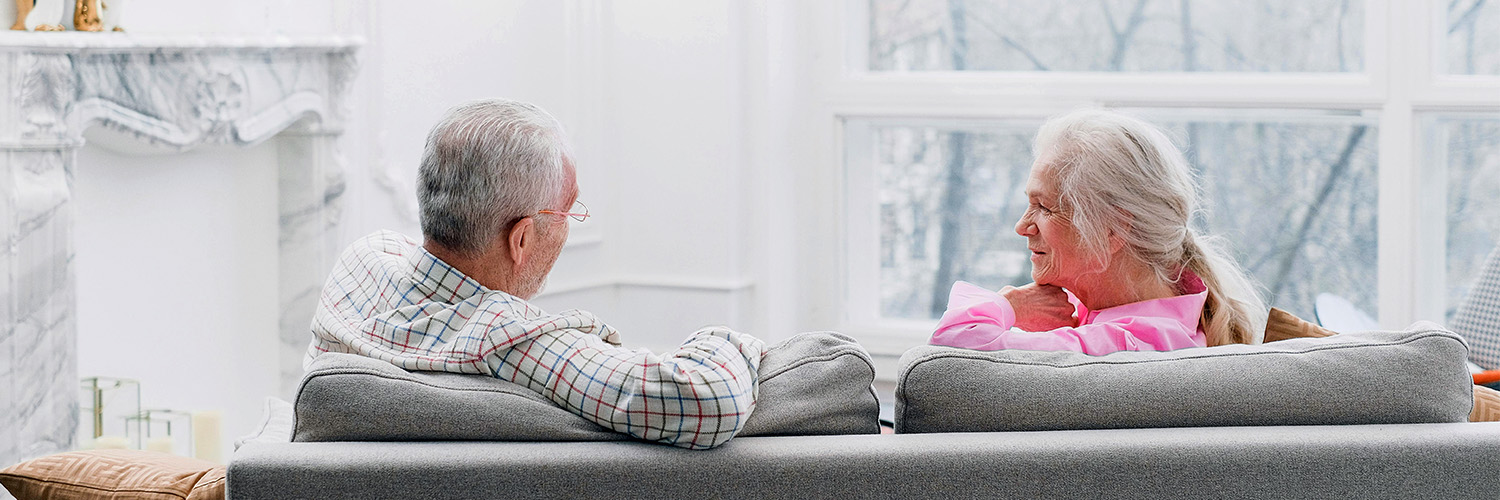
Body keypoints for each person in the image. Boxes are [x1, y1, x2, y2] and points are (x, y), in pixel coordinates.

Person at [306, 99, 766, 449]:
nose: (570, 223)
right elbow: (711, 400)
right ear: (520, 239)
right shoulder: (509, 340)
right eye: (568, 211)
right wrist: (729, 339)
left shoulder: (363, 259)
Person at [930, 109, 1266, 354]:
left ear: (1113, 231)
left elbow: (949, 354)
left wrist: (1012, 305)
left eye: (1044, 208)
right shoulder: (1153, 314)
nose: (1022, 226)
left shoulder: (1129, 346)